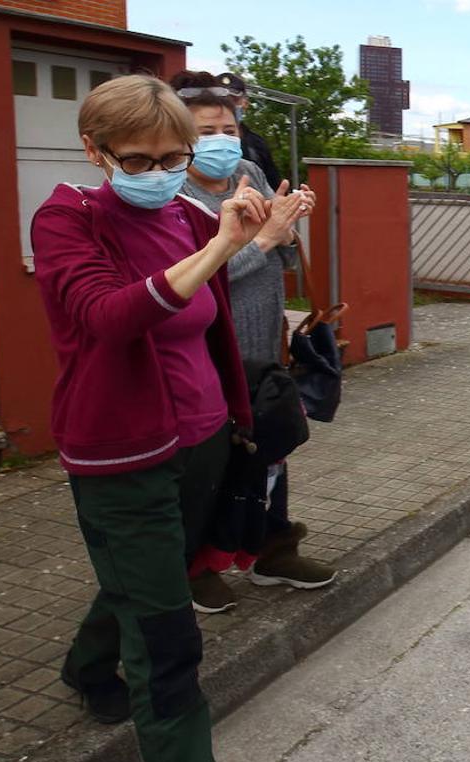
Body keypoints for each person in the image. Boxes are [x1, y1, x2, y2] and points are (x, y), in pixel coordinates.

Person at [31, 74, 272, 762]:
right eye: (141, 158)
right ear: (95, 151)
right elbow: (105, 316)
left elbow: (212, 318)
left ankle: (86, 666)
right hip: (124, 460)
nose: (164, 170)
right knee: (167, 647)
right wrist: (222, 248)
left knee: (150, 580)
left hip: (201, 442)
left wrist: (250, 235)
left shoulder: (184, 212)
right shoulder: (71, 218)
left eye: (176, 156)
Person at [172, 71, 336, 608]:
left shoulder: (246, 171)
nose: (222, 139)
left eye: (228, 126)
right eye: (206, 130)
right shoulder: (173, 192)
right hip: (209, 351)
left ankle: (273, 549)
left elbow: (276, 251)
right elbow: (196, 278)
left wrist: (288, 228)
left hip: (264, 341)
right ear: (177, 135)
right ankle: (196, 564)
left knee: (273, 442)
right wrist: (264, 240)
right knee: (213, 463)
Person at [215, 72, 284, 193]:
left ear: (245, 103)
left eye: (233, 100)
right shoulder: (195, 142)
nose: (227, 106)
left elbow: (275, 188)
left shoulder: (257, 145)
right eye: (220, 100)